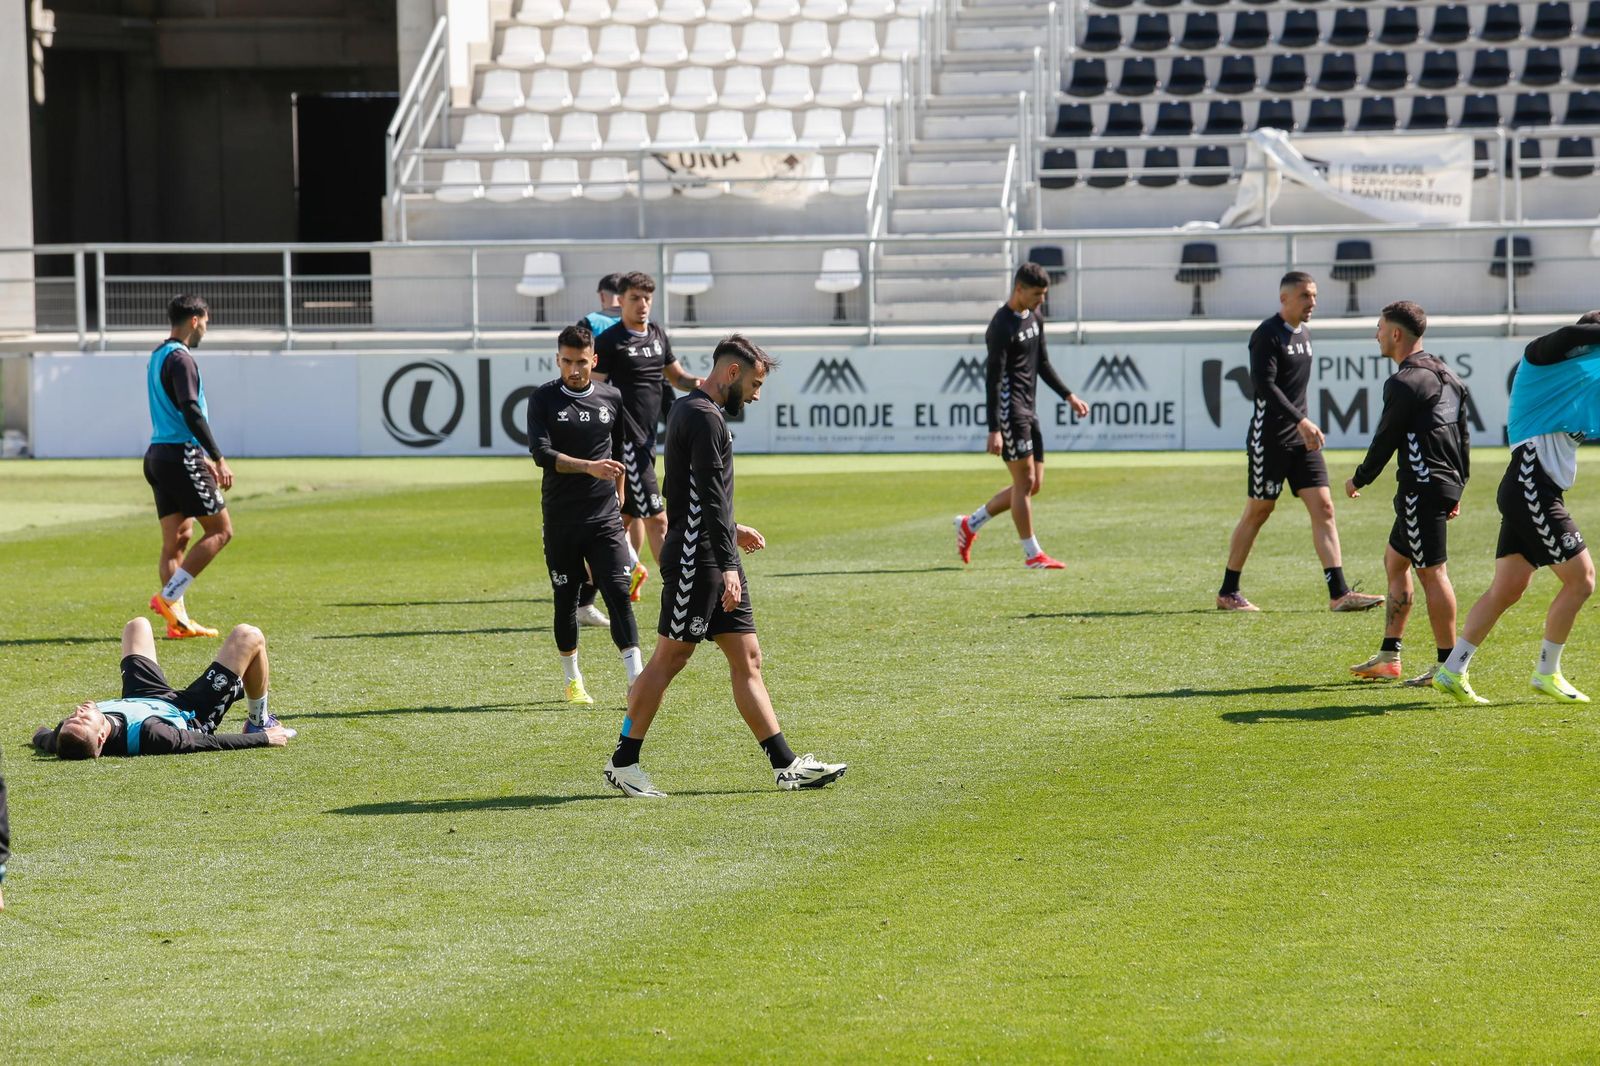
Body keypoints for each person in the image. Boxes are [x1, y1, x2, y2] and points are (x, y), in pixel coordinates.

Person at [603, 335, 847, 797]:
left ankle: (785, 764)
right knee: (670, 657)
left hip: (712, 551)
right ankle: (623, 761)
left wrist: (730, 532)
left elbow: (694, 492)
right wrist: (729, 561)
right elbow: (707, 497)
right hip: (699, 559)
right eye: (755, 383)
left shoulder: (694, 411)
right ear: (732, 373)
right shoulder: (701, 415)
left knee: (747, 657)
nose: (756, 394)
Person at [1433, 311, 1600, 704]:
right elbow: (1568, 336)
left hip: (1532, 488)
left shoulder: (1579, 381)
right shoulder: (1542, 360)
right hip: (1532, 486)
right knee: (1582, 580)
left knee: (1507, 588)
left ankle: (1451, 670)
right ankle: (1547, 673)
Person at [1216, 271, 1383, 613]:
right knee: (1259, 511)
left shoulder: (1304, 334)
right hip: (1271, 440)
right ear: (1285, 299)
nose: (1313, 303)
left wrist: (1302, 425)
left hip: (1300, 441)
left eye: (1315, 296)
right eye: (1306, 296)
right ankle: (1228, 591)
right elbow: (1265, 386)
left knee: (1324, 507)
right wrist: (1301, 420)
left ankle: (1339, 593)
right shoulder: (1266, 335)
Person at [1343, 302, 1470, 686]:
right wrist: (1458, 486)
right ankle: (1388, 656)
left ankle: (1449, 667)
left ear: (1396, 334)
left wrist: (1359, 478)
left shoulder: (1403, 382)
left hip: (1421, 487)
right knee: (1395, 562)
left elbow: (1387, 438)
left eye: (1379, 327)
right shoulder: (1448, 374)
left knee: (1433, 573)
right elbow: (1462, 436)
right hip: (1442, 482)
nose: (1376, 334)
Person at [528, 323, 649, 705]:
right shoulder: (543, 400)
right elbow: (541, 455)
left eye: (581, 362)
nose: (575, 369)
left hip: (604, 520)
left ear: (593, 359)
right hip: (562, 519)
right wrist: (588, 467)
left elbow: (619, 454)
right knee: (566, 600)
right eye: (567, 362)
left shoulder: (612, 398)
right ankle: (573, 680)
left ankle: (637, 679)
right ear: (557, 360)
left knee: (618, 592)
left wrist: (620, 498)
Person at [953, 262, 1090, 569]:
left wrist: (1069, 395)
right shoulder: (1000, 326)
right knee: (1024, 481)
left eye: (1044, 294)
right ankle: (1033, 555)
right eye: (1037, 294)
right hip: (1010, 413)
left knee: (1033, 484)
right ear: (1019, 289)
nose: (1042, 300)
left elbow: (1041, 363)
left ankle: (970, 524)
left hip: (1030, 409)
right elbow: (994, 380)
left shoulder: (1034, 317)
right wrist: (995, 428)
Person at [31, 617, 295, 759]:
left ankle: (237, 688)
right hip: (188, 712)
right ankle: (259, 720)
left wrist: (41, 737)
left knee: (137, 626)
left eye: (73, 717)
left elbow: (40, 736)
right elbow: (208, 743)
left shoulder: (67, 737)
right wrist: (263, 738)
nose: (78, 711)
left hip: (143, 697)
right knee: (248, 636)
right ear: (101, 737)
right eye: (83, 717)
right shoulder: (154, 735)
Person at [592, 272, 703, 605]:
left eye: (647, 299)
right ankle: (677, 587)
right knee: (657, 517)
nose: (642, 305)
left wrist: (701, 384)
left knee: (621, 518)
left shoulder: (657, 334)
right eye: (635, 299)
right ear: (621, 301)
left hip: (647, 441)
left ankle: (585, 592)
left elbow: (677, 376)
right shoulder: (611, 341)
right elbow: (595, 389)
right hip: (625, 441)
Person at [144, 294, 235, 639]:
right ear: (195, 320)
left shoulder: (157, 356)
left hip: (158, 455)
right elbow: (190, 409)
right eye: (206, 322)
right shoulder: (182, 359)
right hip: (182, 454)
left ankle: (177, 623)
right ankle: (169, 599)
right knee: (221, 531)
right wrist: (216, 455)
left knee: (178, 539)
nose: (206, 330)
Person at [572, 273, 626, 630]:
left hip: (633, 439)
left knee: (635, 517)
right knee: (649, 519)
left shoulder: (651, 332)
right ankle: (626, 574)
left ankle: (613, 581)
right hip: (620, 444)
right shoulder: (596, 327)